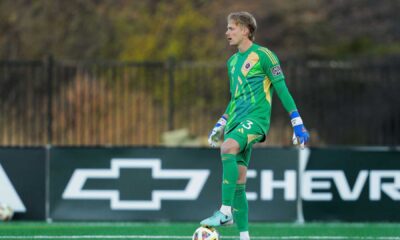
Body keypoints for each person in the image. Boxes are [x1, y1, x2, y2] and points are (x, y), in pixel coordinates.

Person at [200, 12, 310, 240]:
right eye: (227, 28)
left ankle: (225, 212)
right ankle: (244, 236)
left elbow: (282, 89)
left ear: (245, 30)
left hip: (256, 120)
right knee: (239, 182)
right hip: (234, 122)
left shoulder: (264, 55)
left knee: (227, 148)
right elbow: (235, 98)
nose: (226, 33)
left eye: (231, 28)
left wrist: (296, 121)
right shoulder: (232, 62)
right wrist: (221, 122)